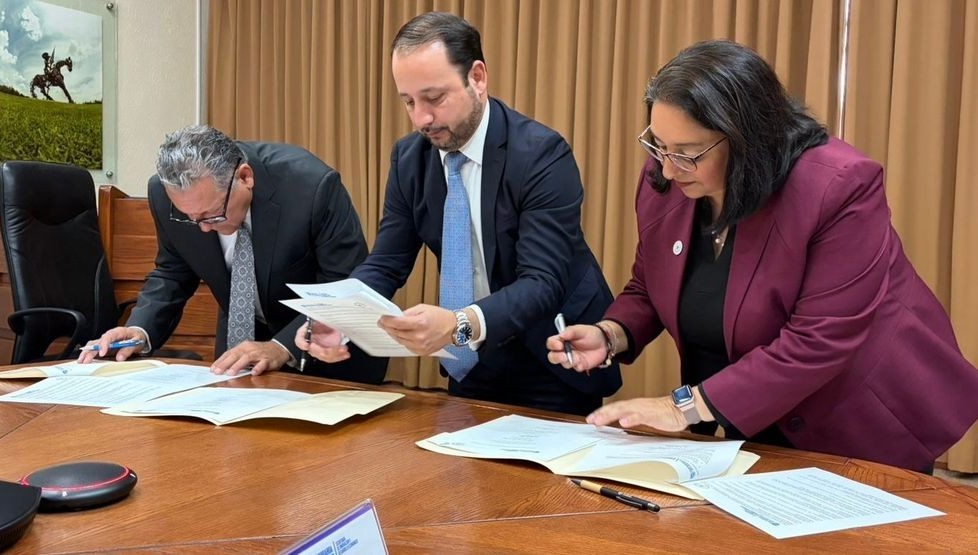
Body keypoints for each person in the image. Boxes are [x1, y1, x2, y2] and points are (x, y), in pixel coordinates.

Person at [547, 40, 978, 472]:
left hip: (856, 428)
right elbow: (651, 282)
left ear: (746, 139)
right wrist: (611, 334)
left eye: (686, 153)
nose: (666, 168)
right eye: (658, 144)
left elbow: (819, 340)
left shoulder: (838, 188)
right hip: (747, 424)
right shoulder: (667, 180)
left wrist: (683, 407)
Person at [297, 12, 621, 416]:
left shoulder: (541, 154)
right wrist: (341, 317)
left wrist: (456, 324)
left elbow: (543, 282)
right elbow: (387, 262)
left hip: (553, 354)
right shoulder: (409, 158)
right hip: (472, 359)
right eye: (409, 102)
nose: (422, 119)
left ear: (478, 78)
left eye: (434, 98)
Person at [80, 125, 388, 384]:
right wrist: (139, 328)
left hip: (330, 358)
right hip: (240, 358)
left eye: (212, 216)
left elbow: (345, 285)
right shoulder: (167, 197)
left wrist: (280, 346)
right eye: (191, 218)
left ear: (244, 177)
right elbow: (173, 272)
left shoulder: (311, 187)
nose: (202, 229)